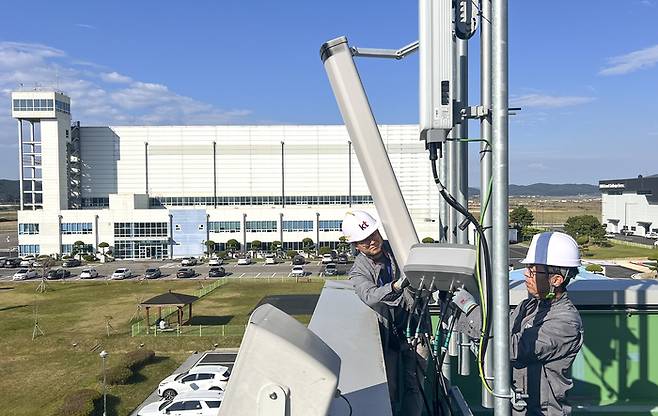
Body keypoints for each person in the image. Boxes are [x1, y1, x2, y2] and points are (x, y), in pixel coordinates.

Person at [452, 231, 584, 416]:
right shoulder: (528, 305)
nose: (526, 274)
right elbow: (498, 332)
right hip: (515, 407)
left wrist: (470, 308)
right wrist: (458, 314)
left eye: (533, 270)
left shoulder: (565, 322)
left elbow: (512, 347)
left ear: (556, 280)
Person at [342, 210, 428, 416]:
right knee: (387, 389)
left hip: (415, 326)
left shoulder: (397, 250)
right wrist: (396, 286)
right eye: (364, 241)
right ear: (356, 246)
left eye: (373, 235)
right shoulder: (359, 270)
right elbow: (370, 295)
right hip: (386, 335)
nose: (372, 241)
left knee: (415, 384)